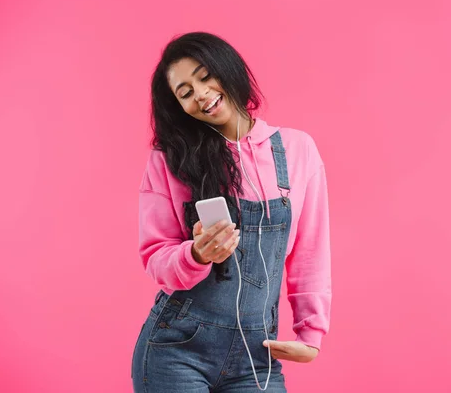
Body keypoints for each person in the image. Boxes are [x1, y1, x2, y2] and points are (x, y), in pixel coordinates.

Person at [131, 32, 331, 393]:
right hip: (177, 350)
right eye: (186, 92)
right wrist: (195, 254)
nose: (202, 94)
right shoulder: (169, 160)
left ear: (228, 68)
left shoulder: (298, 150)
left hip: (256, 356)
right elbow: (155, 255)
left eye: (205, 77)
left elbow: (310, 253)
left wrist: (311, 333)